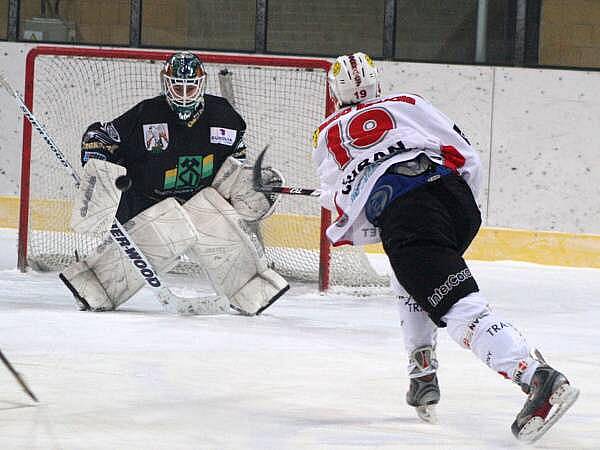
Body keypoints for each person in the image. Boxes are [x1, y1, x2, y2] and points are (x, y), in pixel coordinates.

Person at [312, 52, 579, 442]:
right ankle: (422, 372)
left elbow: (352, 211)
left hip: (407, 212)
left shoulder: (326, 135)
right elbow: (464, 152)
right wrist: (450, 203)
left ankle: (538, 379)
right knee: (410, 272)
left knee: (457, 307)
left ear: (336, 93)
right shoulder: (408, 102)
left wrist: (384, 210)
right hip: (454, 198)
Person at [60, 51, 289, 316]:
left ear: (201, 85)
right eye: (177, 86)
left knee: (212, 212)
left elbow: (235, 165)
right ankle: (96, 284)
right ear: (165, 83)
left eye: (190, 86)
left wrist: (253, 185)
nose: (183, 93)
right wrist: (97, 170)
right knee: (174, 224)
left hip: (195, 201)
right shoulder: (146, 115)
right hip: (143, 202)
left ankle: (249, 288)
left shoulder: (224, 117)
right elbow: (97, 136)